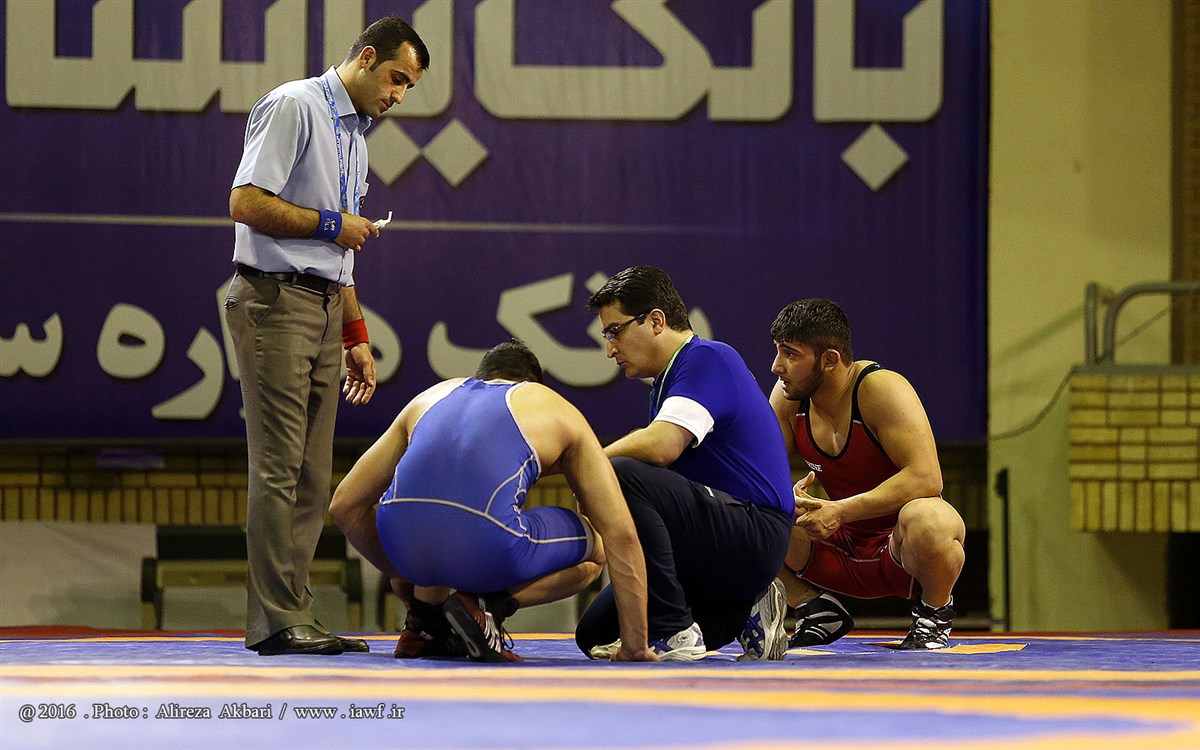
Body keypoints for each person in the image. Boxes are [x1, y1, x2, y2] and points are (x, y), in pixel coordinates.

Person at [225, 17, 429, 656]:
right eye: (396, 78)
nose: (399, 95)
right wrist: (331, 222)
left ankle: (296, 614)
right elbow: (245, 202)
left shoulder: (355, 138)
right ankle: (276, 620)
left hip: (321, 305)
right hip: (274, 300)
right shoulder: (295, 105)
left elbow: (339, 256)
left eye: (409, 87)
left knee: (313, 476)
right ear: (366, 58)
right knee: (279, 466)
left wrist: (355, 333)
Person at [330, 340, 656, 663]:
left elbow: (344, 506)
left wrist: (403, 570)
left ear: (482, 376)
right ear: (532, 383)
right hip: (485, 542)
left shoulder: (432, 396)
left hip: (403, 546)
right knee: (597, 547)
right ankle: (488, 607)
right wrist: (635, 646)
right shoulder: (551, 405)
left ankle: (423, 621)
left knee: (438, 534)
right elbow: (621, 533)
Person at [575, 266, 794, 661]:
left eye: (614, 332)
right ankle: (747, 608)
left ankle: (674, 627)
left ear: (656, 321)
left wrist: (588, 467)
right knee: (594, 633)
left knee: (621, 472)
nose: (610, 349)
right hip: (712, 542)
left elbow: (662, 446)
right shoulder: (665, 385)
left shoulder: (708, 357)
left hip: (753, 533)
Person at [767, 299, 966, 649]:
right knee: (745, 510)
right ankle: (813, 607)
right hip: (834, 549)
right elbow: (759, 473)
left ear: (830, 360)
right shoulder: (789, 398)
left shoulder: (880, 389)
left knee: (932, 519)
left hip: (900, 552)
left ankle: (934, 614)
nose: (776, 366)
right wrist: (786, 496)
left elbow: (927, 478)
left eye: (790, 354)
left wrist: (841, 511)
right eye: (778, 351)